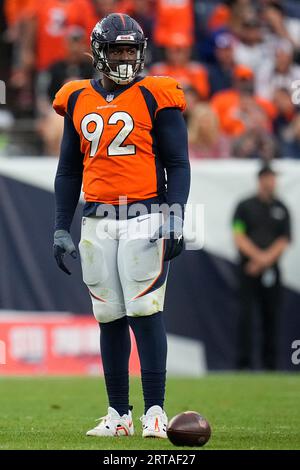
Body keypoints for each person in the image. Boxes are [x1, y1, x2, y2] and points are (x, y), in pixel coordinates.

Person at [52, 13, 190, 438]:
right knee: (108, 316)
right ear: (100, 52)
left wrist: (175, 215)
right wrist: (61, 225)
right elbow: (68, 170)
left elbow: (178, 163)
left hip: (143, 217)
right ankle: (118, 415)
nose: (126, 57)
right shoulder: (76, 98)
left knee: (145, 312)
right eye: (118, 49)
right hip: (96, 220)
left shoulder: (156, 94)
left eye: (131, 49)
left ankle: (154, 412)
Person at [232, 165, 291, 370]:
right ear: (261, 180)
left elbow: (284, 239)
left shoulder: (281, 208)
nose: (271, 182)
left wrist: (265, 260)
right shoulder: (245, 206)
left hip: (271, 271)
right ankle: (244, 365)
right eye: (268, 178)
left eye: (274, 178)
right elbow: (238, 235)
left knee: (271, 317)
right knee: (245, 317)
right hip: (248, 269)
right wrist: (257, 258)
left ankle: (270, 365)